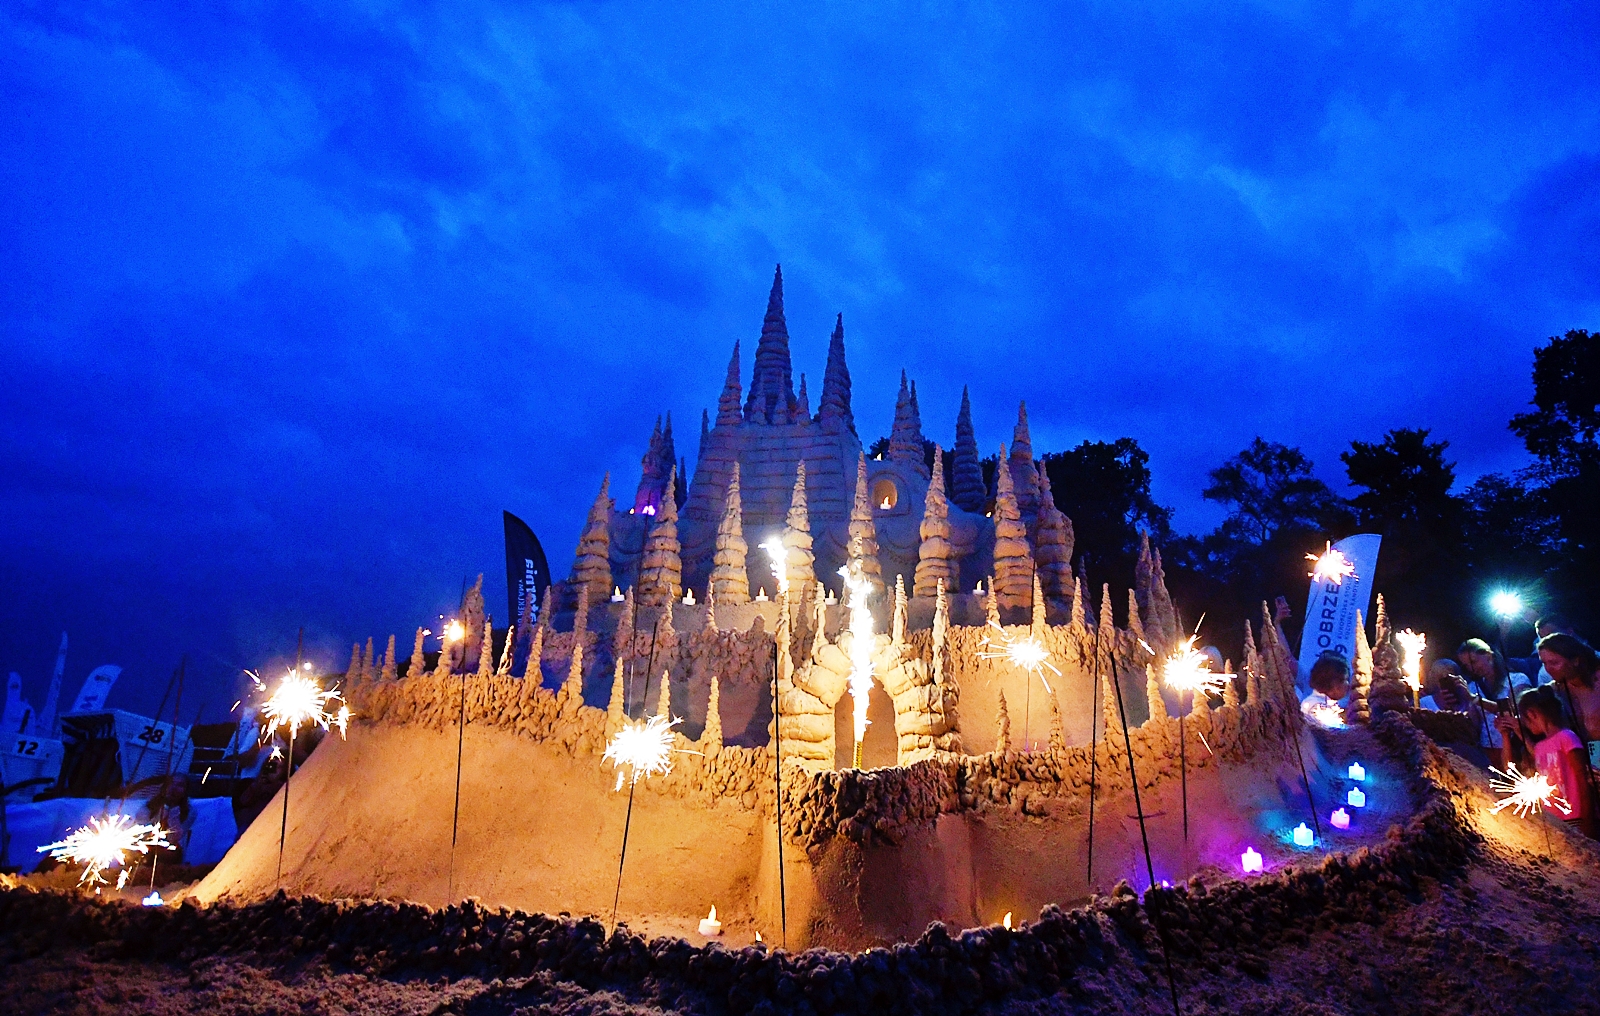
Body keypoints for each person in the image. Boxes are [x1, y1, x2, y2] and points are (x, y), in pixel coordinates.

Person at [1514, 685, 1597, 839]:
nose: (1526, 725)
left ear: (1531, 714)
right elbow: (1538, 754)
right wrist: (1519, 732)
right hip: (1554, 820)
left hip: (1576, 816)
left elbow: (1582, 778)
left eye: (1525, 720)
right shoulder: (1540, 746)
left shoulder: (1567, 737)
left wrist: (1588, 818)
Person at [1539, 633, 1600, 770]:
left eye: (1554, 663)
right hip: (1591, 756)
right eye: (1544, 663)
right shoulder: (1554, 689)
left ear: (1575, 661)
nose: (1548, 669)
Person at [1301, 652, 1350, 725]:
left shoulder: (1328, 703)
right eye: (1344, 680)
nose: (1348, 684)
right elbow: (1329, 731)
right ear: (1333, 683)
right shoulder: (1316, 708)